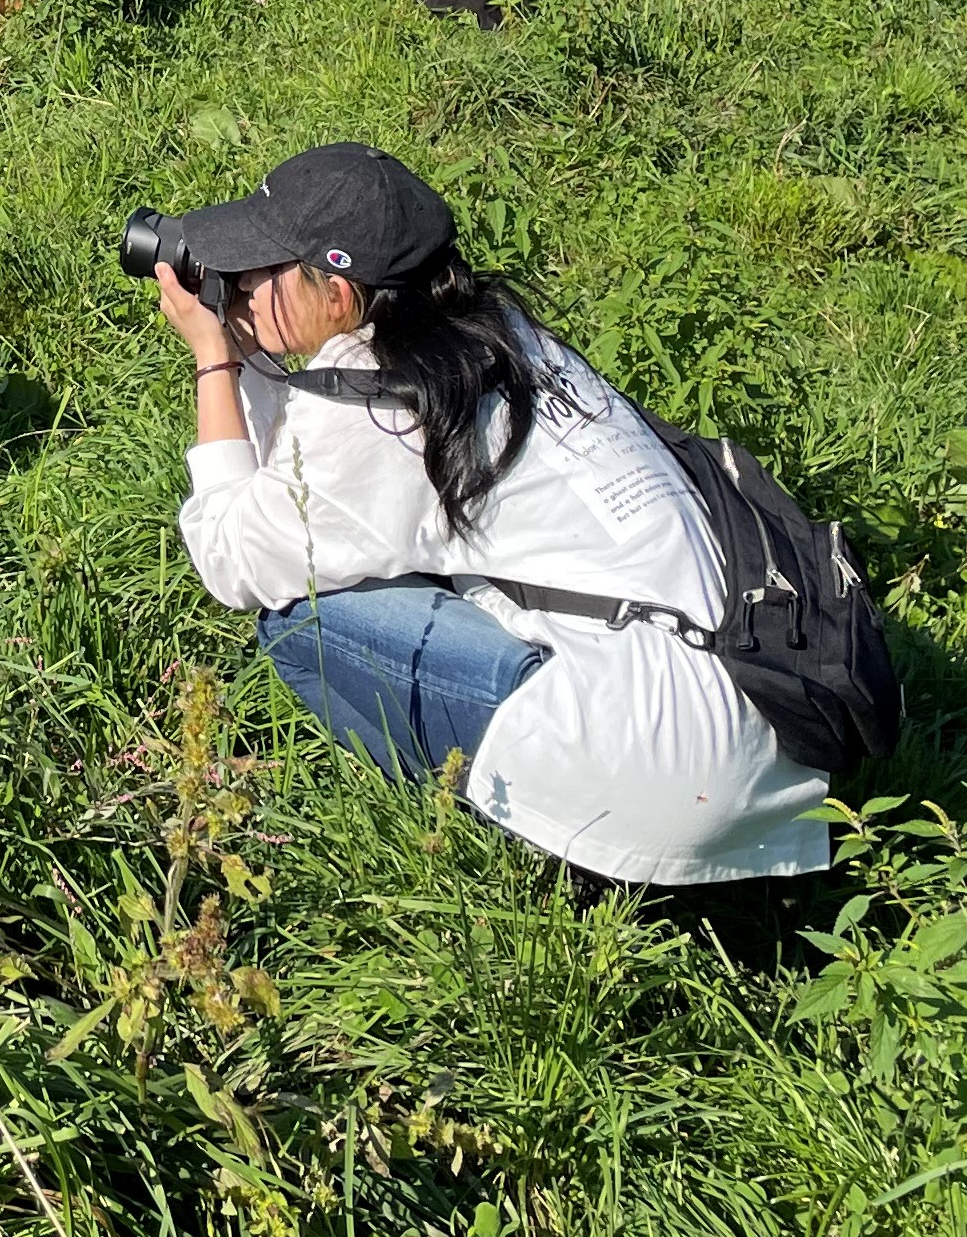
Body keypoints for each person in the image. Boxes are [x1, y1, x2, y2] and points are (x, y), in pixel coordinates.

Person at [152, 143, 833, 888]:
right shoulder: (495, 336)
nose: (238, 289)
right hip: (765, 729)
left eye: (258, 273)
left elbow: (232, 556)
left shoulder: (384, 420)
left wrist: (215, 363)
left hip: (668, 782)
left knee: (300, 614)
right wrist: (259, 343)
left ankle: (495, 842)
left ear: (341, 298)